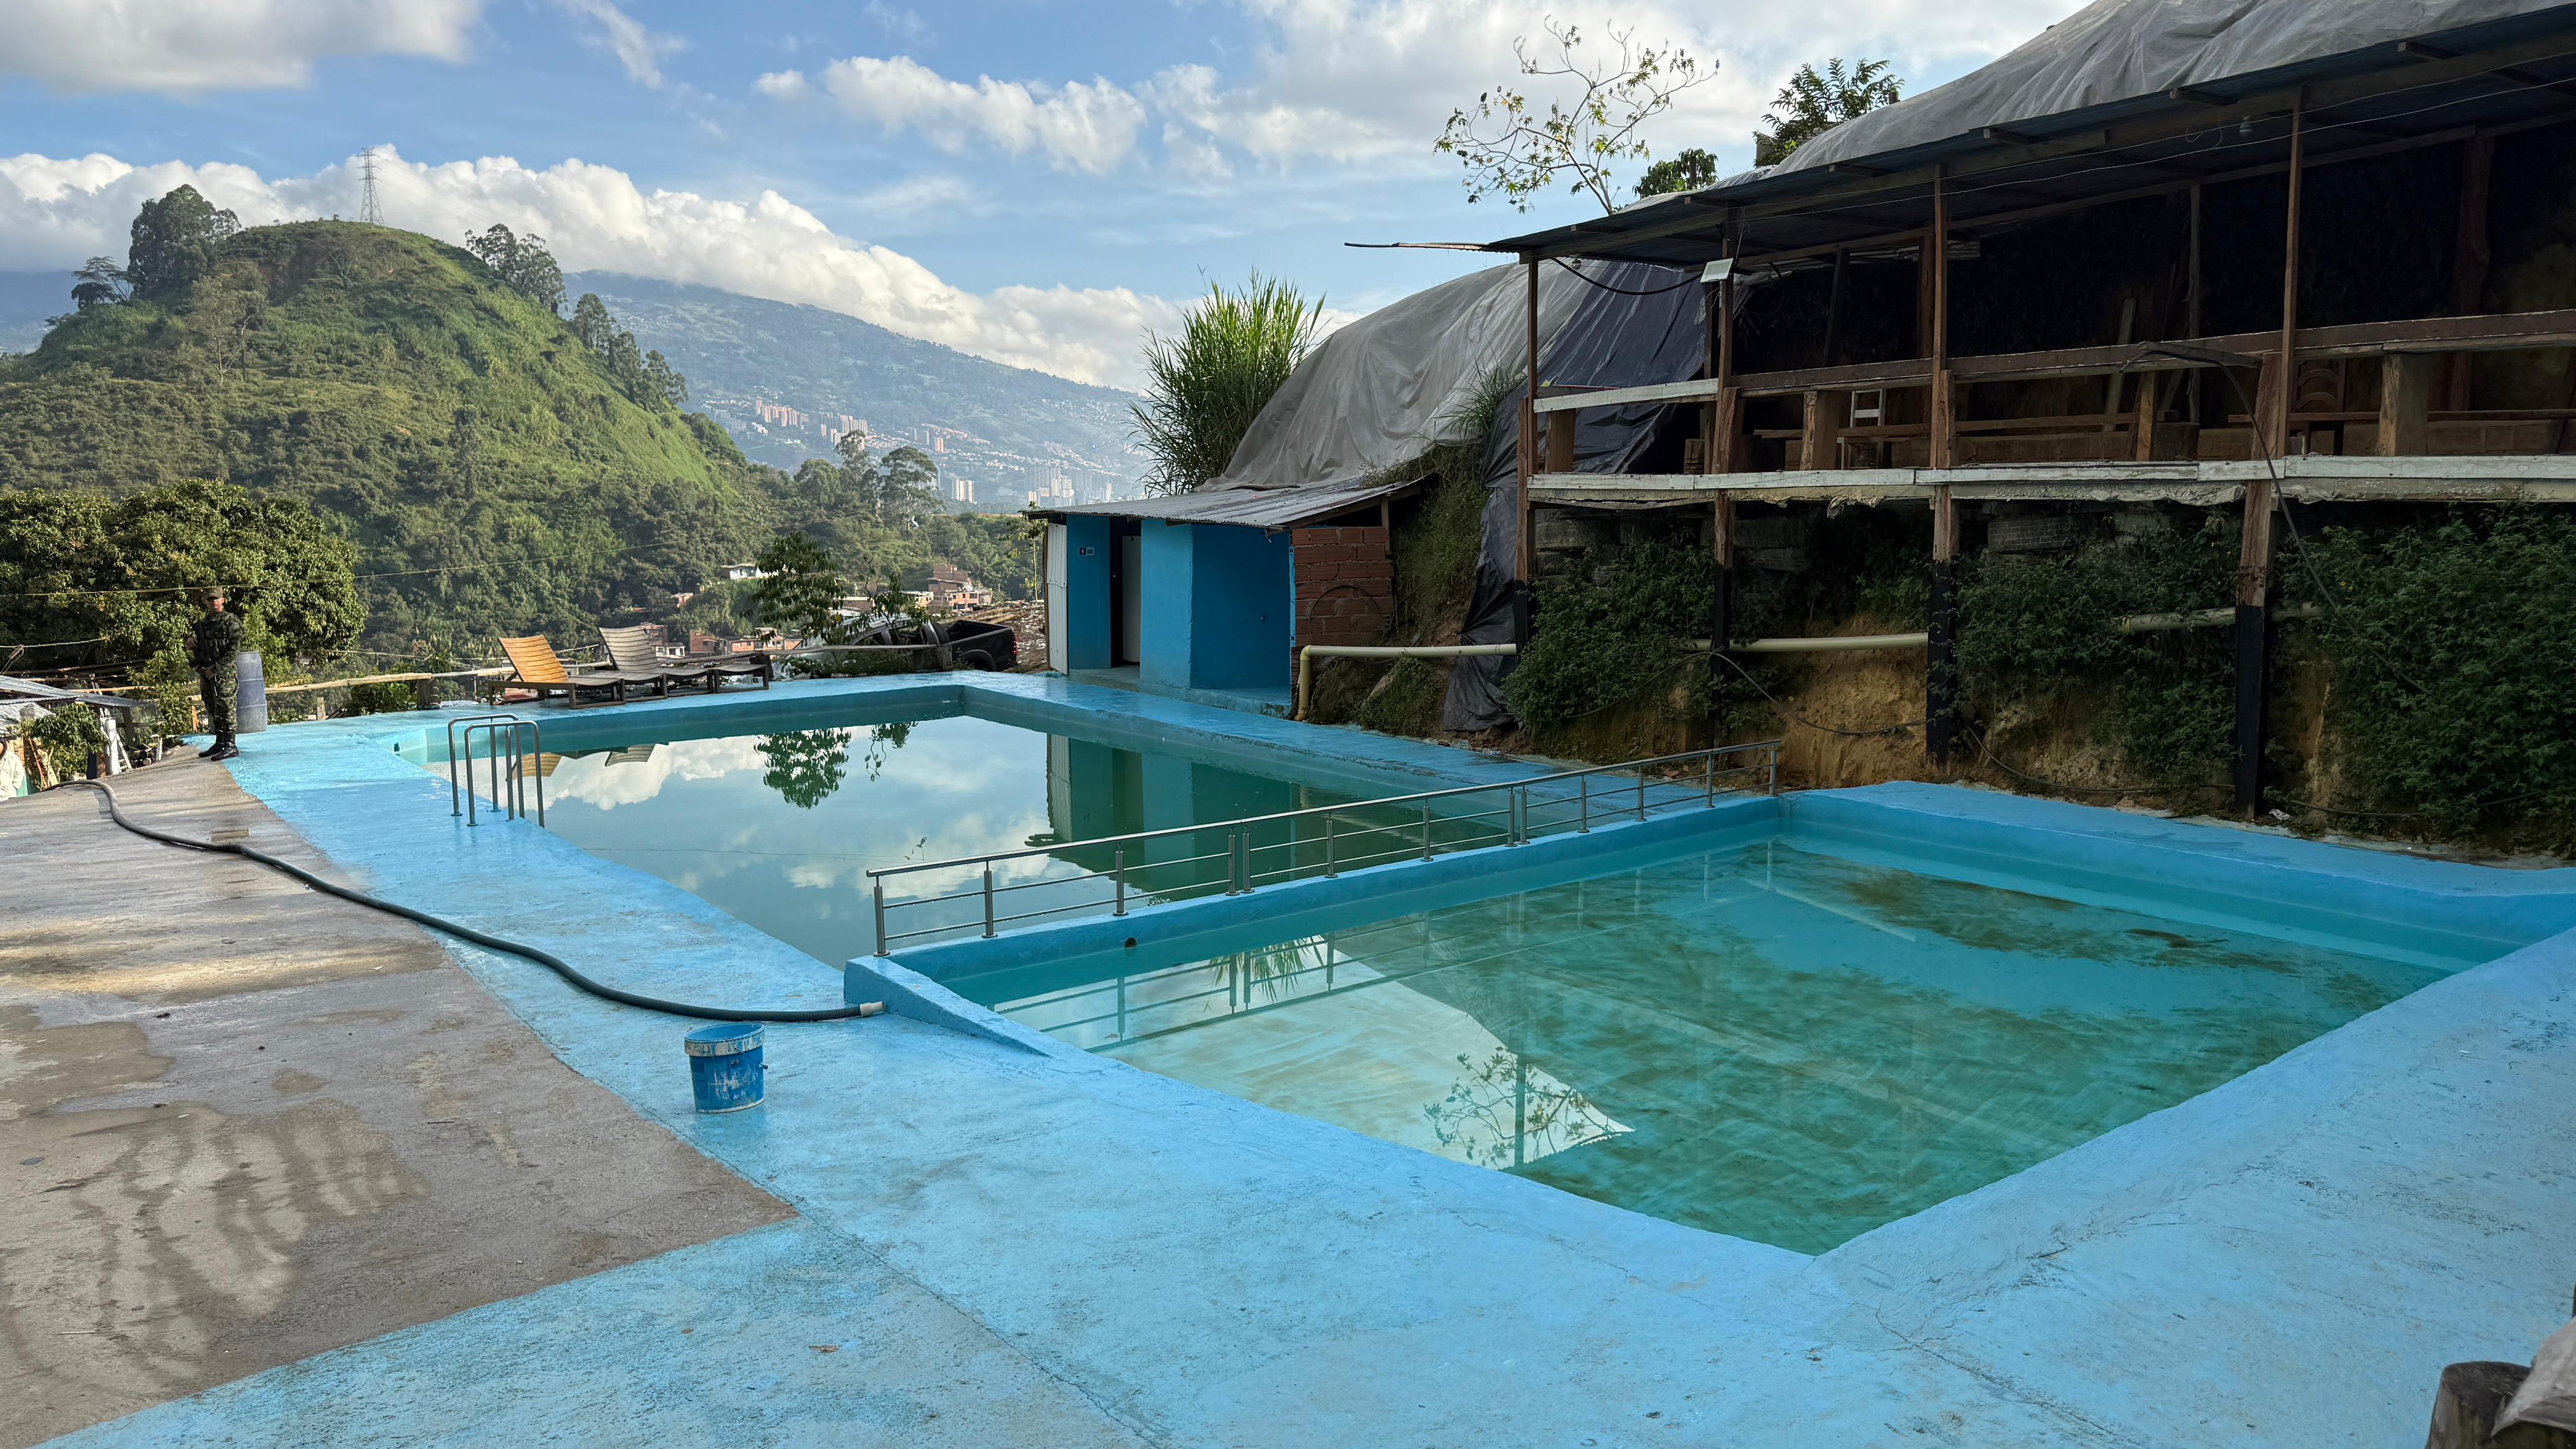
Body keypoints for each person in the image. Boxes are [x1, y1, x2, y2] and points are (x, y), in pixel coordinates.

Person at [189, 588, 245, 761]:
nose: (213, 601)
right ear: (205, 602)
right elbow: (196, 642)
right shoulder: (204, 624)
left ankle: (230, 745)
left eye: (216, 598)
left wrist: (217, 668)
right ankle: (220, 743)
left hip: (224, 674)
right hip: (207, 672)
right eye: (210, 599)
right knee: (213, 707)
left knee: (226, 708)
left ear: (223, 600)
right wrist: (190, 640)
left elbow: (233, 650)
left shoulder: (231, 622)